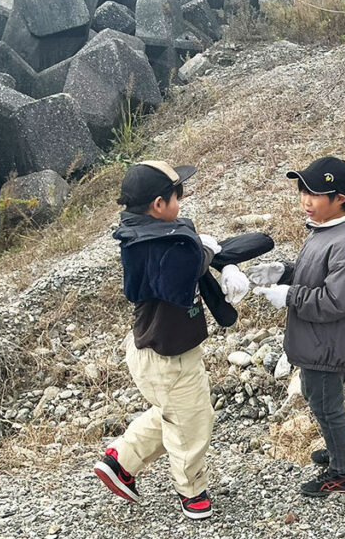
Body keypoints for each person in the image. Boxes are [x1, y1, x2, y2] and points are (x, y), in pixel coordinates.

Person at [94, 161, 260, 521]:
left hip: (158, 349)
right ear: (158, 204)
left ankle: (121, 460)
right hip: (167, 357)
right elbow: (177, 276)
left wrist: (216, 258)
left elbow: (184, 253)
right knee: (192, 423)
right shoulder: (154, 246)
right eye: (176, 197)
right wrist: (207, 253)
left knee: (178, 412)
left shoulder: (148, 235)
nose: (180, 203)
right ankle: (191, 491)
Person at [249, 157, 345, 497]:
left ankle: (342, 472)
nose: (306, 200)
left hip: (329, 343)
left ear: (339, 198)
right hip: (318, 340)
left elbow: (336, 299)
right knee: (315, 394)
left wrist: (290, 295)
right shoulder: (323, 230)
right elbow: (316, 274)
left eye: (315, 194)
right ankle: (341, 450)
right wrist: (285, 271)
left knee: (326, 405)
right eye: (303, 191)